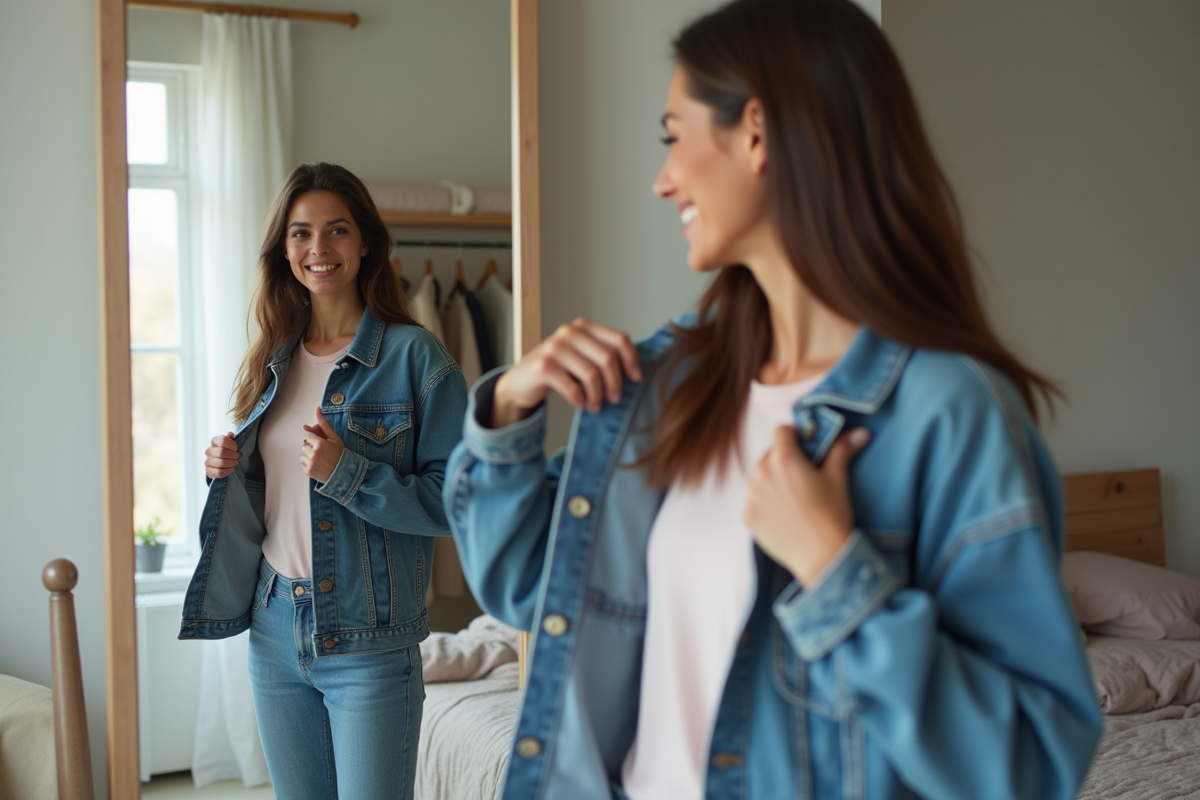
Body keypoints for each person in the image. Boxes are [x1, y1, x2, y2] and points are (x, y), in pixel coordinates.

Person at [443, 1, 1102, 798]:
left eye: (672, 136)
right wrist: (510, 409)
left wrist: (836, 574)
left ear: (756, 132)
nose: (661, 180)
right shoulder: (669, 385)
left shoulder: (948, 413)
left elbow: (1029, 765)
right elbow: (527, 590)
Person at [179, 162, 468, 799]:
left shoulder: (416, 358)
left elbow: (459, 504)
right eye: (301, 233)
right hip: (274, 625)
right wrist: (227, 472)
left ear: (365, 241)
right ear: (283, 249)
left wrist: (350, 474)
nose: (319, 249)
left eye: (336, 230)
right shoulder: (272, 356)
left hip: (368, 640)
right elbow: (275, 492)